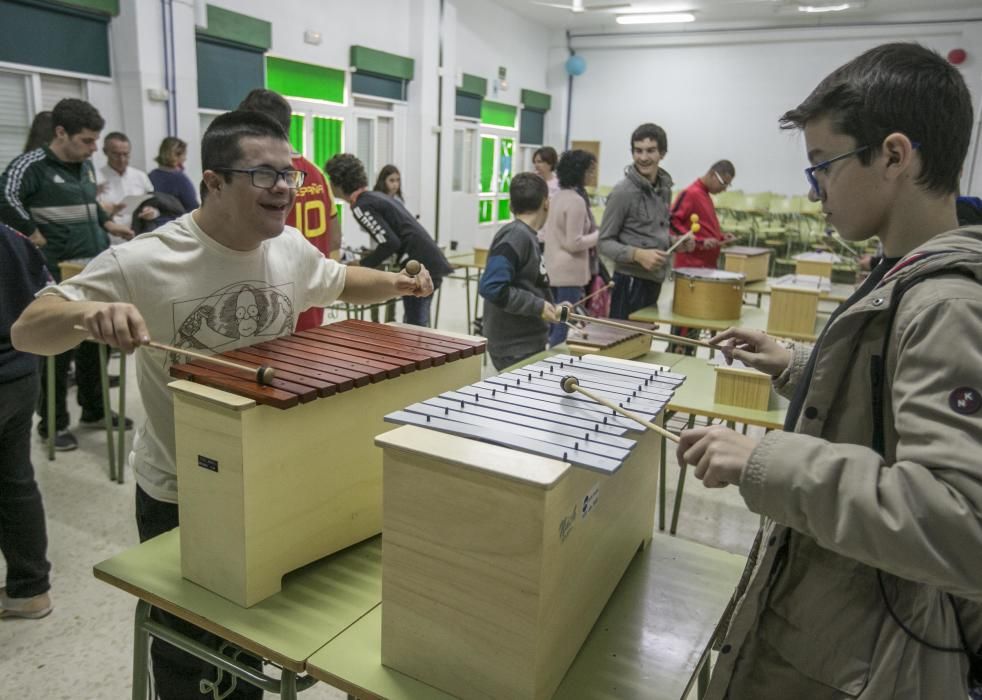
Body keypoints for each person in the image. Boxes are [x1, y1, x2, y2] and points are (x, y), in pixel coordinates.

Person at [12, 109, 434, 699]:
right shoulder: (146, 259)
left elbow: (334, 279)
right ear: (213, 182)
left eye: (287, 174)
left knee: (251, 645)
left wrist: (398, 284)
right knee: (192, 657)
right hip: (183, 493)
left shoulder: (287, 247)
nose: (285, 187)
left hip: (272, 482)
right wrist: (87, 313)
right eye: (264, 175)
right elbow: (29, 329)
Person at [677, 43, 982, 699]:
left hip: (870, 658)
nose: (815, 192)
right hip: (839, 628)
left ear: (894, 156)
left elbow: (962, 522)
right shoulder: (903, 277)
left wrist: (767, 460)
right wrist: (800, 367)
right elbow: (892, 400)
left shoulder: (946, 304)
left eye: (824, 166)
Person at [0, 98, 134, 451]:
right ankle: (52, 424)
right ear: (61, 133)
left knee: (96, 343)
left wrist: (109, 225)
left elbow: (89, 207)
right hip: (55, 272)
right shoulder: (31, 165)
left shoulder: (85, 168)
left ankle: (94, 409)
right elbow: (4, 196)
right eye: (87, 141)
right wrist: (32, 231)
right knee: (57, 352)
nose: (94, 149)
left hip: (92, 268)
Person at [238, 89, 340, 332]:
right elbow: (335, 237)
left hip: (272, 302)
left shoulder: (258, 180)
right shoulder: (316, 174)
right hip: (313, 298)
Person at [325, 153, 452, 327]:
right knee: (415, 323)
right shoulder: (374, 197)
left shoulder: (361, 205)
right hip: (426, 259)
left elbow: (390, 243)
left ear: (338, 182)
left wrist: (361, 264)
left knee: (415, 326)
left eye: (330, 180)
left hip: (420, 263)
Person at [0, 223, 53, 619]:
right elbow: (47, 295)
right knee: (15, 480)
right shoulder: (13, 237)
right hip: (19, 375)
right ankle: (30, 590)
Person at [598, 122, 692, 320]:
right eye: (638, 151)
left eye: (650, 151)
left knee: (643, 342)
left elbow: (651, 233)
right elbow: (604, 242)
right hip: (629, 282)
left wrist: (674, 243)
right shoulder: (623, 192)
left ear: (662, 153)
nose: (643, 157)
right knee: (623, 345)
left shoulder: (664, 189)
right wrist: (637, 254)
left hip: (654, 280)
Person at [479, 172, 558, 370]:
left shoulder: (525, 236)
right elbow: (492, 287)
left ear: (511, 205)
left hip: (524, 342)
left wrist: (550, 306)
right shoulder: (516, 235)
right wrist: (538, 306)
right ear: (546, 203)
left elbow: (527, 285)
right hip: (515, 346)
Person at [668, 160, 737, 353]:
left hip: (704, 268)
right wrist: (698, 243)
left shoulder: (704, 195)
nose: (724, 189)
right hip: (691, 268)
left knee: (694, 326)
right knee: (684, 328)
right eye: (724, 184)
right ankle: (677, 357)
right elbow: (672, 221)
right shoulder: (691, 193)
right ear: (713, 174)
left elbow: (703, 229)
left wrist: (721, 237)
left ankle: (687, 357)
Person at [541, 149, 599, 346]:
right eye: (589, 171)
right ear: (579, 172)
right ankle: (552, 365)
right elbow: (573, 243)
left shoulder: (558, 196)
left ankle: (546, 361)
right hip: (568, 272)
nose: (592, 175)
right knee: (562, 326)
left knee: (553, 322)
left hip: (553, 269)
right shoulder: (576, 201)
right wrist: (600, 235)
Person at [96, 131, 154, 243]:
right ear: (105, 152)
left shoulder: (140, 176)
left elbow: (152, 203)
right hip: (108, 242)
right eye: (116, 154)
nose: (122, 159)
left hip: (138, 239)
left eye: (125, 154)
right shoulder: (95, 178)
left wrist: (151, 212)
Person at [148, 136, 200, 216]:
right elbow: (193, 207)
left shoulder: (151, 176)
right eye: (184, 155)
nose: (185, 159)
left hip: (155, 225)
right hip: (176, 223)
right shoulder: (180, 179)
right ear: (176, 155)